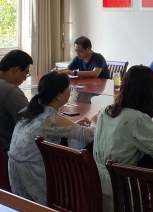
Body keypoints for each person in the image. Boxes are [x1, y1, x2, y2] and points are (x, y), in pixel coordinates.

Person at [93, 65, 153, 212]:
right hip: (121, 193)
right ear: (148, 91)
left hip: (96, 189)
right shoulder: (138, 119)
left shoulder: (105, 112)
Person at [8, 71, 94, 204]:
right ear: (59, 95)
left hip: (15, 177)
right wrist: (96, 121)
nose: (70, 91)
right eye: (68, 88)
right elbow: (90, 135)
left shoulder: (29, 110)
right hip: (35, 178)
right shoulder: (51, 118)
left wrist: (73, 125)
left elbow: (49, 128)